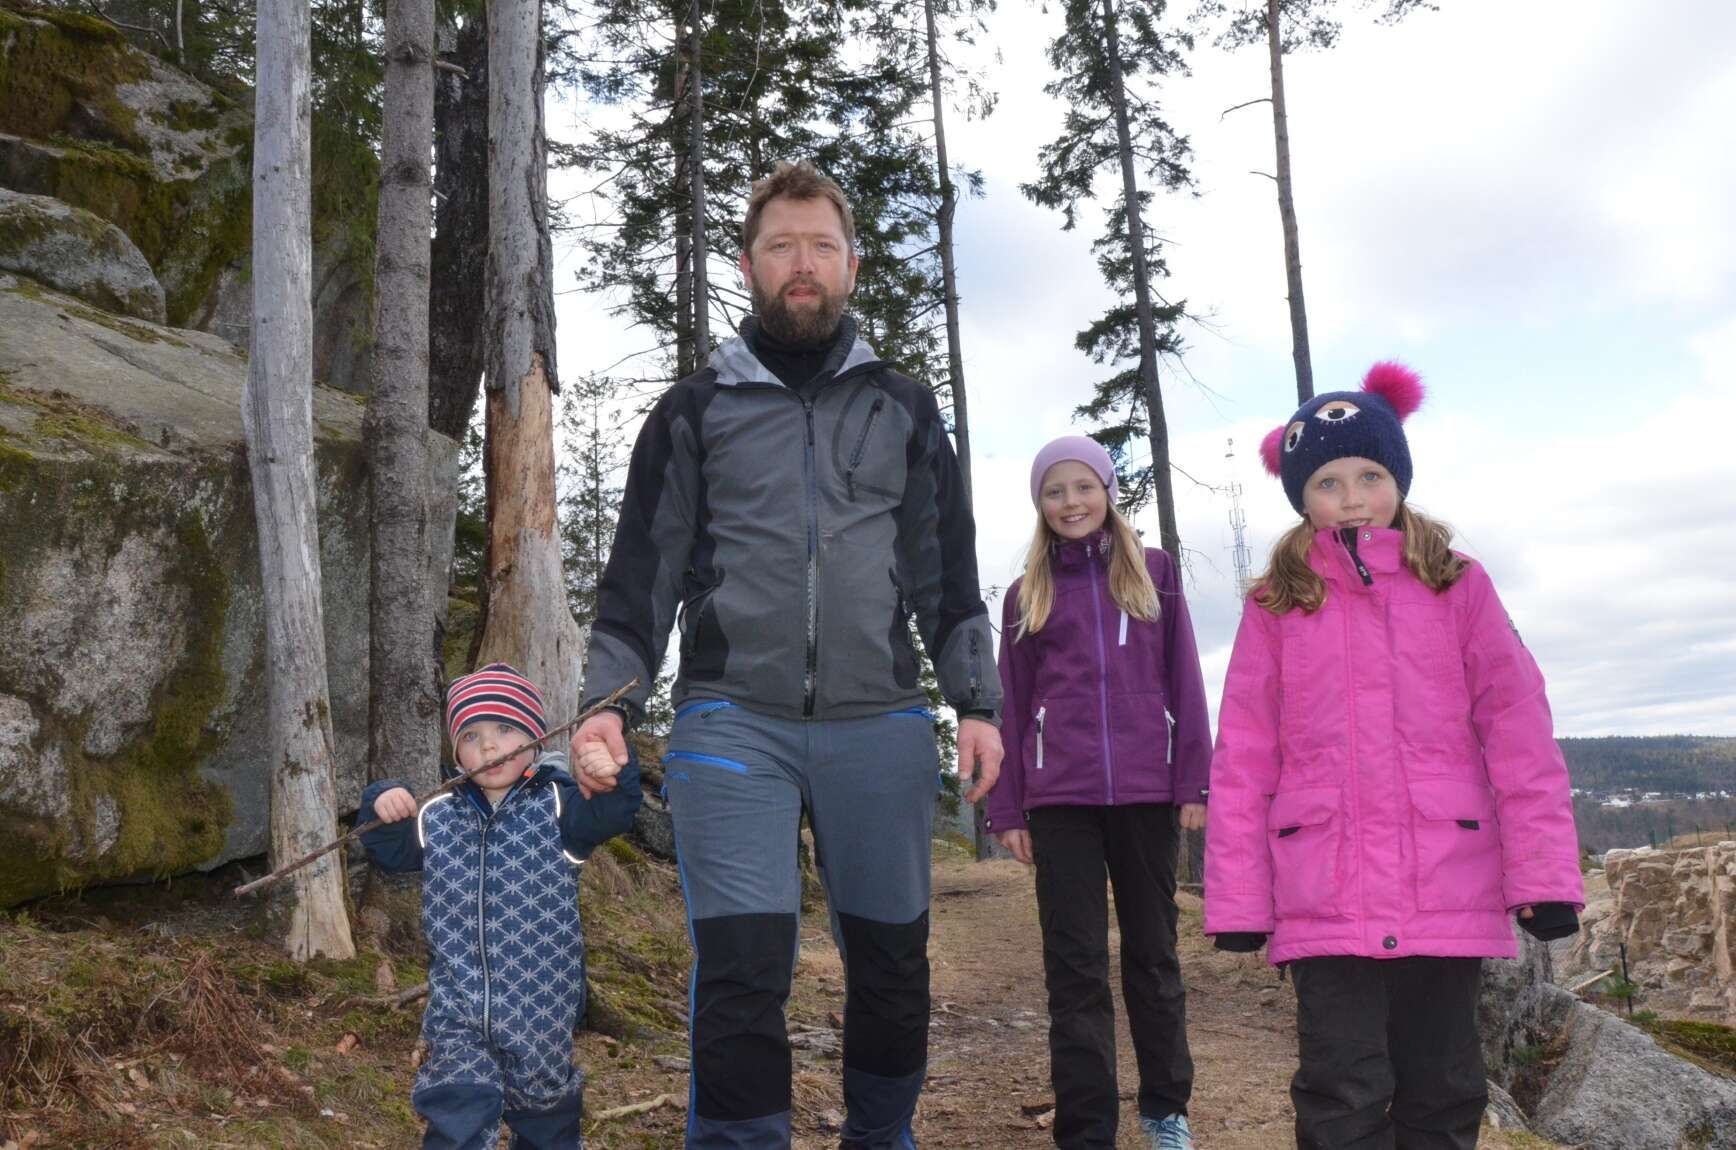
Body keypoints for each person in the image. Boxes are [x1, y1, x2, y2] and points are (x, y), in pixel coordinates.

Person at [568, 159, 1005, 1150]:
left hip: (880, 724)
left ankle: (879, 1136)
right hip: (731, 723)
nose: (800, 264)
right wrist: (607, 704)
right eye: (780, 246)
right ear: (747, 265)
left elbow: (946, 574)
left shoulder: (903, 408)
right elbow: (640, 579)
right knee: (740, 967)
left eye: (820, 246)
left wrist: (975, 703)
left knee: (891, 963)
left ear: (850, 264)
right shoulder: (692, 411)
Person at [1203, 363, 1584, 1150]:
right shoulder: (1277, 605)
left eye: (1370, 476)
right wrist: (1239, 900)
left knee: (1444, 1089)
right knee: (1340, 1089)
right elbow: (1243, 757)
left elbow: (1519, 731)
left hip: (1446, 883)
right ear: (1302, 497)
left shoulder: (1458, 585)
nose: (1352, 497)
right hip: (1325, 893)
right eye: (1328, 482)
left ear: (1399, 479)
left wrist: (1543, 877)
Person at [984, 436, 1211, 1150]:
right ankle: (1086, 1131)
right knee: (1074, 968)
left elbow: (1186, 678)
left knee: (1154, 958)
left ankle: (1166, 1110)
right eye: (1054, 491)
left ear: (1108, 493)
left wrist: (1195, 779)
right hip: (1061, 802)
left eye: (1083, 487)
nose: (1071, 502)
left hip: (1147, 793)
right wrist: (1007, 807)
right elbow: (1011, 706)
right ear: (1040, 504)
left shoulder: (1154, 572)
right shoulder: (1027, 594)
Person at [359, 663, 642, 1150]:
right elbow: (390, 852)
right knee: (457, 1108)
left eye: (505, 729)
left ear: (536, 738)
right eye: (471, 736)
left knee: (545, 1116)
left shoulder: (561, 808)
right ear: (455, 752)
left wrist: (610, 772)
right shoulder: (438, 814)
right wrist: (383, 803)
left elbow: (611, 813)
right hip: (458, 1004)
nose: (488, 747)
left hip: (542, 1007)